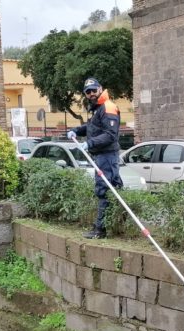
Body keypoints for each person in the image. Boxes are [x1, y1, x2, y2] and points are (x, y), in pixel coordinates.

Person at [67, 77, 123, 240]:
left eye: (93, 90)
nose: (91, 93)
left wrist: (89, 143)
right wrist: (76, 131)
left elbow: (110, 135)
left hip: (107, 155)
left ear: (100, 89)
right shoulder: (97, 109)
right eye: (88, 91)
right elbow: (92, 127)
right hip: (101, 155)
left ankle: (100, 229)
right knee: (115, 188)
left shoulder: (108, 107)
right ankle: (117, 224)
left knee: (103, 190)